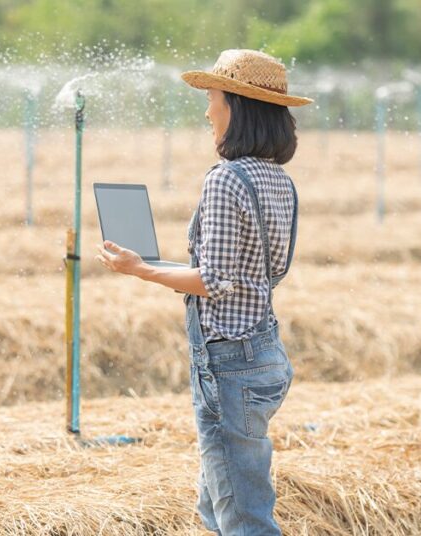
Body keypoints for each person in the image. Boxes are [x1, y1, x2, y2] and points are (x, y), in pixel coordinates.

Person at [94, 49, 312, 535]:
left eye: (212, 97)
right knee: (218, 505)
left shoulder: (225, 179)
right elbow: (239, 273)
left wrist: (141, 272)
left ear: (236, 106)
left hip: (228, 365)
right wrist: (147, 263)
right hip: (262, 352)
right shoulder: (279, 182)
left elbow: (212, 281)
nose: (207, 110)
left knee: (242, 518)